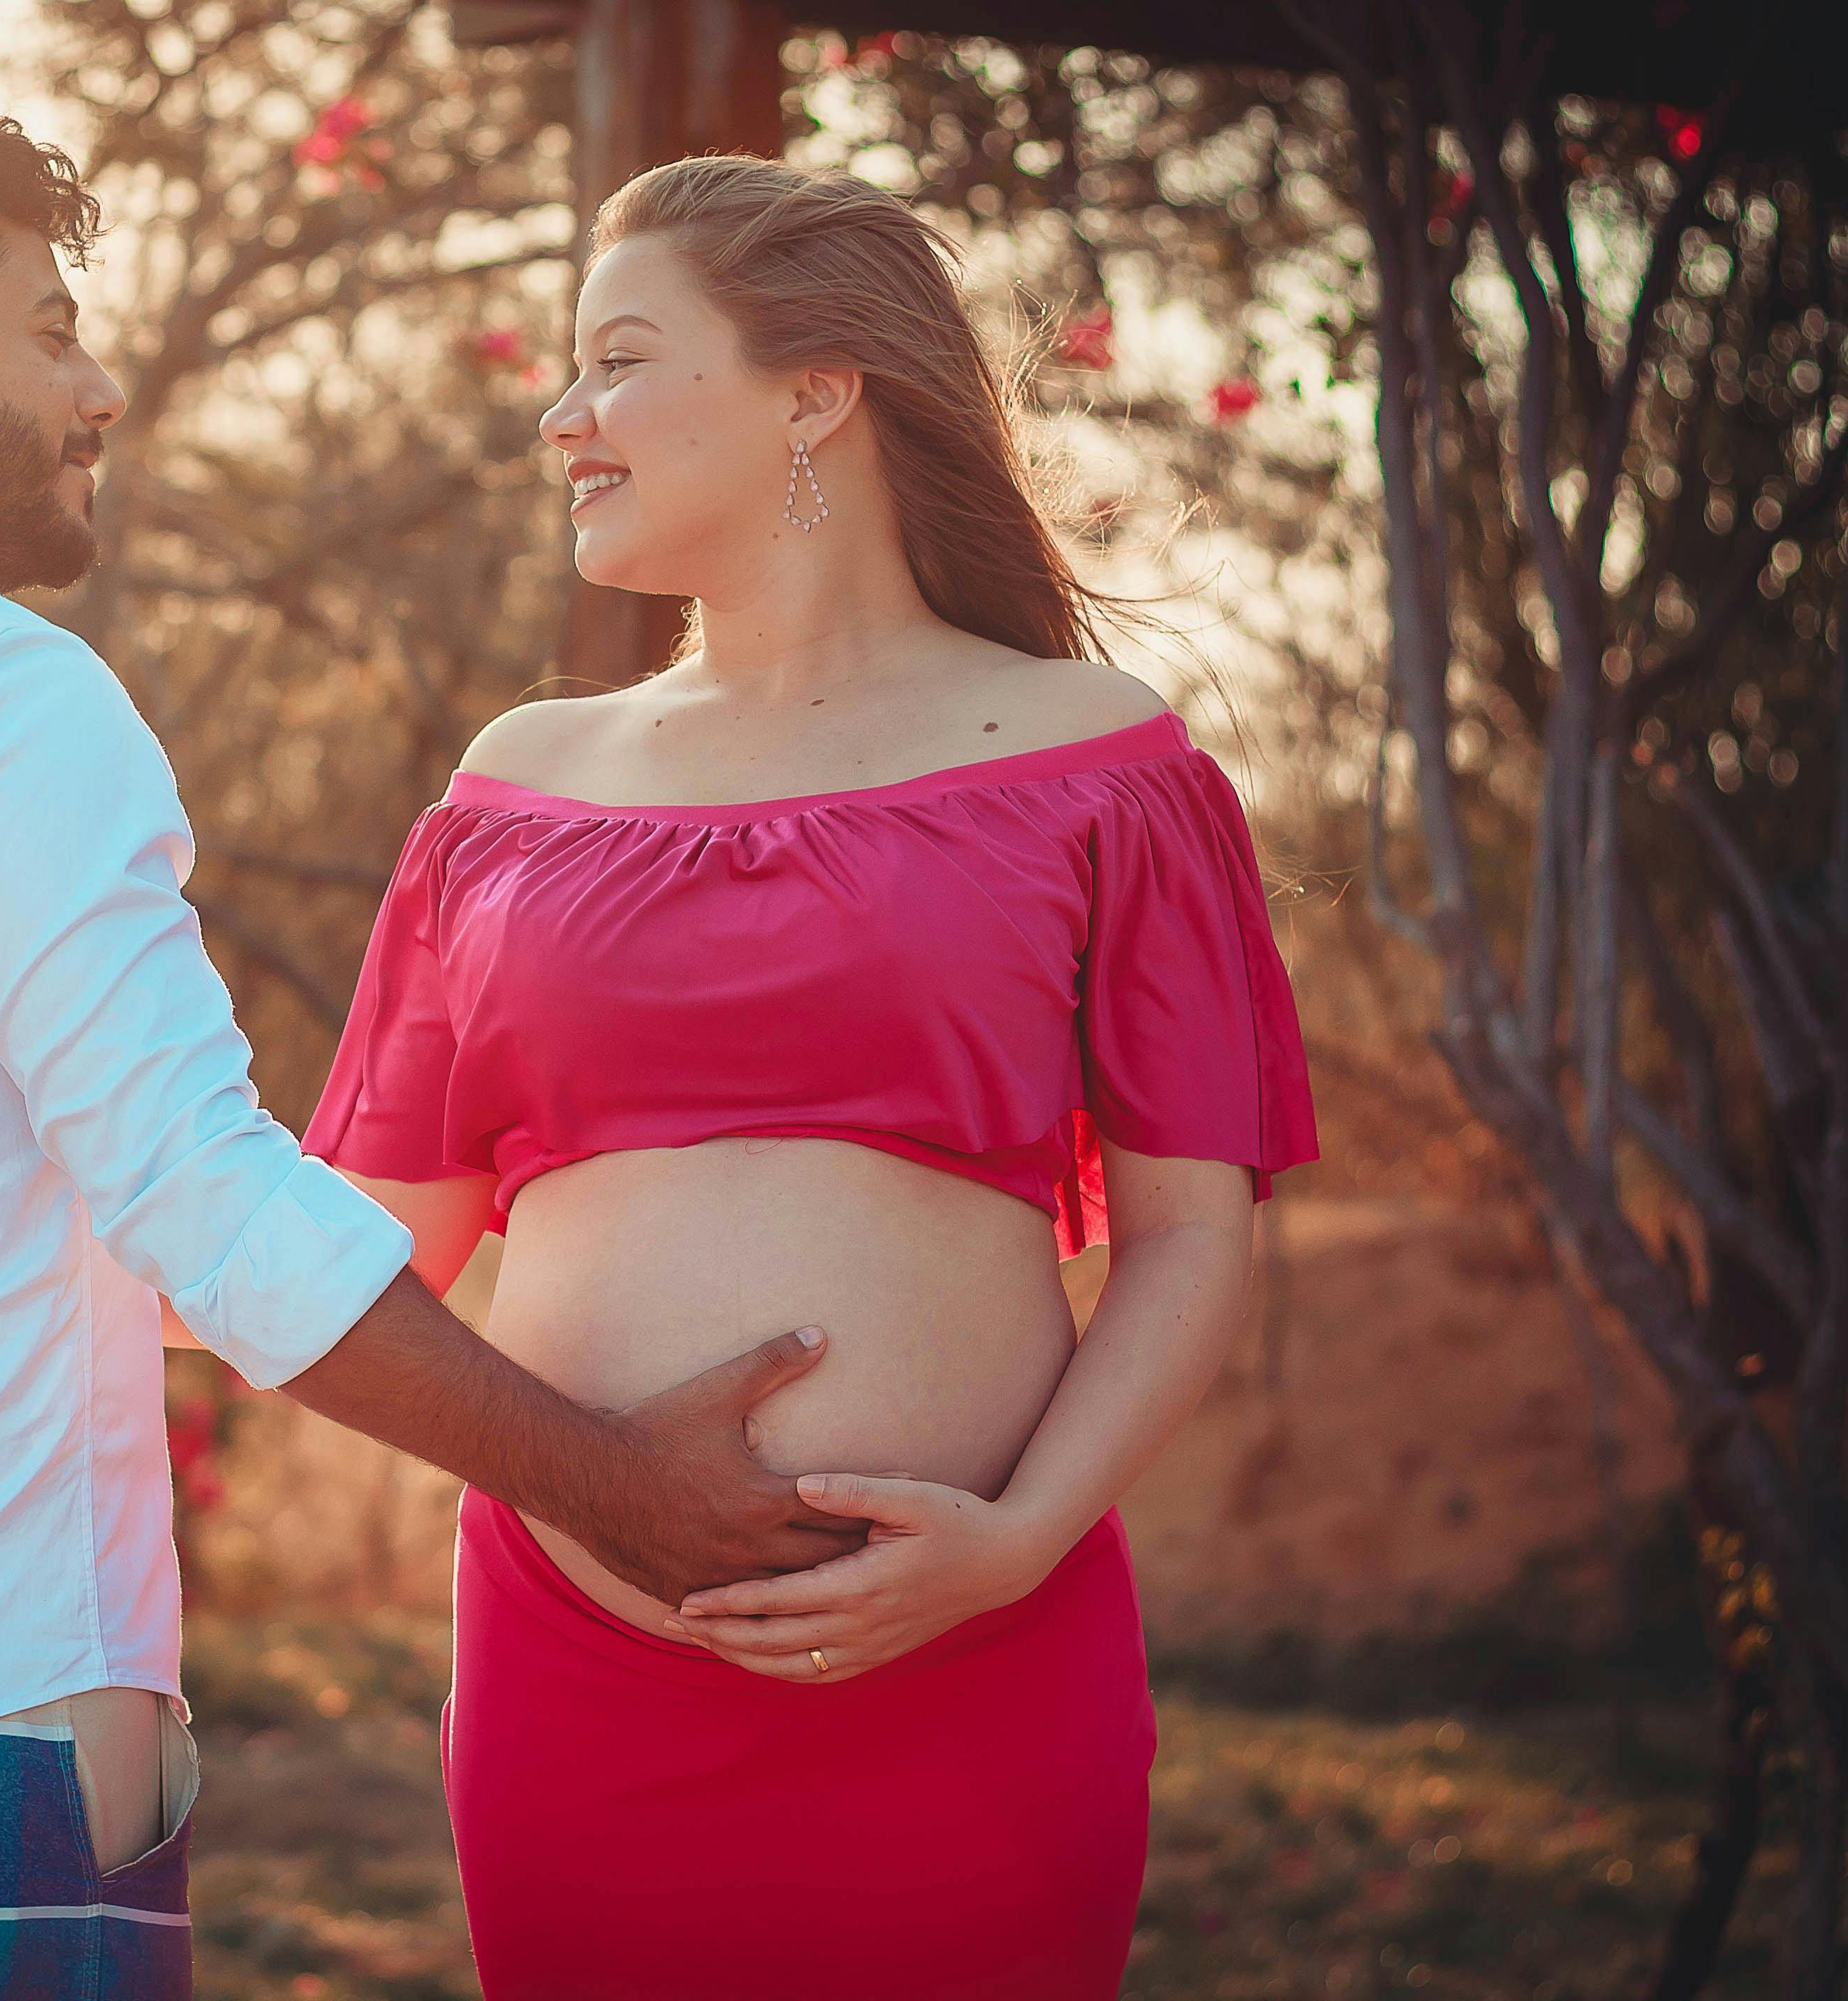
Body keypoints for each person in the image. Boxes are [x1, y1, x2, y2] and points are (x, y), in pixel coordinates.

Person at [0, 108, 864, 2001]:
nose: (97, 384)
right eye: (47, 330)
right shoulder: (3, 697)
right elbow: (196, 1196)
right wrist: (616, 1481)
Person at [301, 154, 1321, 2000]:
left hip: (975, 1667)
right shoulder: (515, 789)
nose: (561, 418)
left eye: (617, 360)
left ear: (816, 390)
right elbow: (352, 1251)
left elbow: (1192, 1242)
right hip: (572, 1678)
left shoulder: (1106, 764)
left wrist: (1011, 1549)